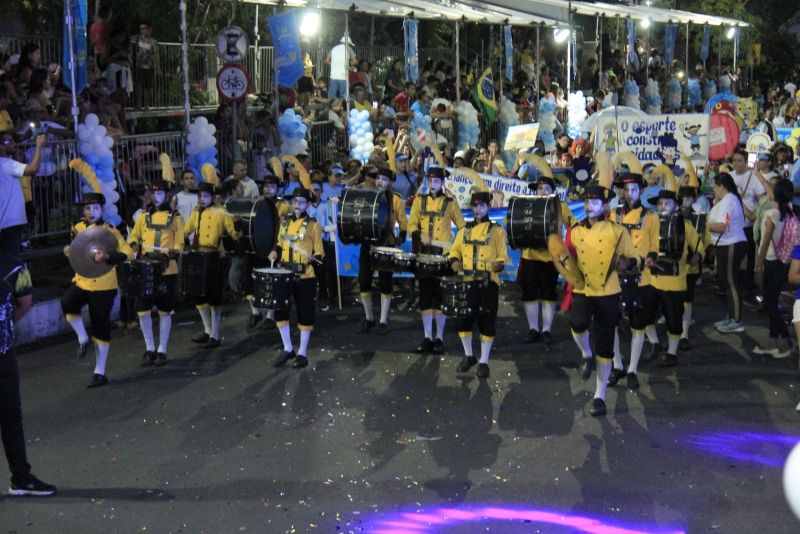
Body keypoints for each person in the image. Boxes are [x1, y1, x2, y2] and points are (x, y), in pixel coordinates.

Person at [563, 162, 639, 416]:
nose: (588, 206)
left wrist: (625, 262)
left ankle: (600, 396)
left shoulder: (618, 233)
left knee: (606, 345)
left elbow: (634, 262)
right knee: (578, 324)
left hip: (608, 292)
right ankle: (586, 354)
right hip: (584, 289)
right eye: (586, 202)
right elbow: (568, 259)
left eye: (594, 203)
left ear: (605, 206)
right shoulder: (574, 232)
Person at [61, 192, 133, 387]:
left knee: (100, 325)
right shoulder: (77, 228)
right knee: (68, 302)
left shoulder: (110, 230)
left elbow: (128, 253)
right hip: (82, 280)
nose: (91, 212)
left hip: (104, 285)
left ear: (102, 210)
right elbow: (75, 252)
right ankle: (82, 337)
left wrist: (108, 257)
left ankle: (99, 371)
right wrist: (68, 251)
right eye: (87, 208)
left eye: (95, 208)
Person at [0, 250, 57, 496]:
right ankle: (21, 477)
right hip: (3, 352)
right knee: (11, 417)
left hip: (3, 354)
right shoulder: (14, 265)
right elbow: (23, 306)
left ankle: (21, 478)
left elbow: (24, 304)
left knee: (11, 416)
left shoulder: (14, 265)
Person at [609, 162, 661, 389]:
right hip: (616, 278)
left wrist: (650, 258)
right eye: (624, 189)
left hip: (641, 278)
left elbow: (655, 247)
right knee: (612, 324)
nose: (628, 193)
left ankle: (632, 369)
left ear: (640, 190)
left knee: (638, 325)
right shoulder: (612, 215)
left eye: (633, 189)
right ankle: (618, 365)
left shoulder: (651, 216)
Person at [449, 190, 510, 378]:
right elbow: (454, 251)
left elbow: (502, 257)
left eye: (482, 205)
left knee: (486, 321)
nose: (478, 209)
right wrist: (454, 262)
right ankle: (469, 356)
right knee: (463, 320)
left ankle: (484, 361)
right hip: (466, 282)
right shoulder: (463, 231)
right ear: (471, 207)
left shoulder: (498, 231)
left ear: (488, 206)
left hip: (487, 283)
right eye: (475, 206)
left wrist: (498, 265)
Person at [408, 166, 465, 353]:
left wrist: (455, 247)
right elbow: (411, 224)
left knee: (440, 298)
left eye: (437, 181)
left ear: (442, 182)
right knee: (425, 297)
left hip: (443, 256)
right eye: (430, 181)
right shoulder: (419, 200)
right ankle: (427, 337)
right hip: (424, 254)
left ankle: (439, 337)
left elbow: (463, 227)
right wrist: (418, 234)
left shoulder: (450, 203)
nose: (433, 184)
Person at [128, 180, 185, 366]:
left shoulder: (176, 217)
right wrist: (135, 246)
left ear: (167, 195)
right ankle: (149, 348)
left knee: (164, 310)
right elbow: (134, 236)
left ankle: (162, 349)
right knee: (143, 311)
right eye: (154, 193)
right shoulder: (143, 216)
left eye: (161, 193)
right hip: (145, 268)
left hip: (167, 268)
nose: (157, 196)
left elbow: (180, 241)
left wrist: (175, 250)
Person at [269, 188, 324, 368]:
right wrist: (274, 252)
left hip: (305, 274)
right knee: (280, 310)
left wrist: (313, 258)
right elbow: (279, 243)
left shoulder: (313, 225)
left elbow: (320, 253)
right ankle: (287, 348)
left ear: (307, 204)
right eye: (295, 201)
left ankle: (302, 352)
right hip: (285, 273)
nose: (298, 204)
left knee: (305, 312)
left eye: (301, 201)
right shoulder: (284, 222)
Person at [646, 188, 701, 367]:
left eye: (667, 203)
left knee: (674, 319)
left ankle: (672, 352)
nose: (663, 206)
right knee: (645, 316)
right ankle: (654, 343)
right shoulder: (650, 224)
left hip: (676, 282)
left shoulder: (686, 227)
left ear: (676, 206)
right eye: (660, 203)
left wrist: (696, 257)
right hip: (652, 280)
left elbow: (699, 248)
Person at [518, 174, 574, 344]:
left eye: (546, 189)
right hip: (530, 256)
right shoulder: (528, 204)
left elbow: (573, 224)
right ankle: (533, 329)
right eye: (540, 189)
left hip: (551, 258)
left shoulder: (560, 206)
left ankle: (546, 330)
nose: (542, 191)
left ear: (553, 191)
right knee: (530, 294)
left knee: (548, 294)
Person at [184, 182, 239, 348]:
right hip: (200, 258)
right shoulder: (196, 213)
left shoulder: (222, 212)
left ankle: (215, 335)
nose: (202, 199)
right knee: (199, 295)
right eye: (200, 196)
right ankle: (207, 330)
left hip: (217, 258)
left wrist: (237, 226)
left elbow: (234, 234)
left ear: (213, 197)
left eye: (205, 196)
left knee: (215, 297)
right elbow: (186, 230)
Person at [358, 167, 407, 334]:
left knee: (386, 282)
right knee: (364, 281)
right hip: (368, 244)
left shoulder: (396, 200)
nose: (380, 181)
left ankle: (383, 320)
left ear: (391, 182)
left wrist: (403, 235)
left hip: (386, 244)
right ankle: (369, 318)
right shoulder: (367, 195)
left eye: (384, 179)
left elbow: (402, 221)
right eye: (378, 178)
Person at [753, 179, 795, 357]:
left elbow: (764, 242)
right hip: (783, 261)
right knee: (772, 302)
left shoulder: (772, 213)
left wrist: (758, 267)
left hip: (771, 262)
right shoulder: (789, 212)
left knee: (770, 303)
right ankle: (773, 340)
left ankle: (786, 341)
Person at [708, 172, 747, 333]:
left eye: (715, 187)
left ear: (721, 186)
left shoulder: (729, 201)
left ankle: (736, 319)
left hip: (731, 244)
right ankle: (732, 316)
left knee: (731, 282)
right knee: (728, 281)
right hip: (727, 244)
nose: (714, 190)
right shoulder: (727, 200)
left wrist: (707, 225)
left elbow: (721, 226)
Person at [677, 165, 710, 349]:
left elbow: (705, 239)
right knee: (675, 300)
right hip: (673, 268)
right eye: (682, 198)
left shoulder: (699, 218)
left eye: (689, 198)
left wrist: (701, 254)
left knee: (687, 300)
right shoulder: (670, 217)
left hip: (691, 268)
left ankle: (684, 334)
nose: (685, 202)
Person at [0, 134, 45, 254]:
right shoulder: (5, 164)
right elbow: (33, 168)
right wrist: (39, 147)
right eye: (8, 141)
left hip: (7, 220)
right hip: (9, 221)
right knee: (10, 260)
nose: (13, 143)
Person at [730, 149, 766, 294]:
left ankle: (748, 282)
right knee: (734, 254)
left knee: (750, 253)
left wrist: (754, 215)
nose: (736, 163)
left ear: (746, 162)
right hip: (733, 223)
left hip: (749, 223)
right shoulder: (729, 177)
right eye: (734, 160)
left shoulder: (753, 178)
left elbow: (761, 200)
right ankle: (733, 281)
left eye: (739, 160)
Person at [132, 22, 159, 109]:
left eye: (144, 29)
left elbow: (156, 54)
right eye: (141, 29)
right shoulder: (137, 38)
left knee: (148, 86)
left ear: (149, 30)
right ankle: (138, 105)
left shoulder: (153, 42)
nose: (142, 31)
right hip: (139, 66)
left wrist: (157, 67)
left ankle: (146, 105)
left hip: (149, 66)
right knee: (138, 85)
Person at [326, 36, 356, 100]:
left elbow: (326, 61)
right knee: (344, 97)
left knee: (331, 97)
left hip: (333, 76)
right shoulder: (348, 49)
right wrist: (349, 65)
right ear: (347, 43)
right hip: (343, 77)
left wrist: (334, 65)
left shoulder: (333, 48)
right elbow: (355, 61)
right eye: (349, 44)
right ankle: (343, 109)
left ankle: (330, 109)